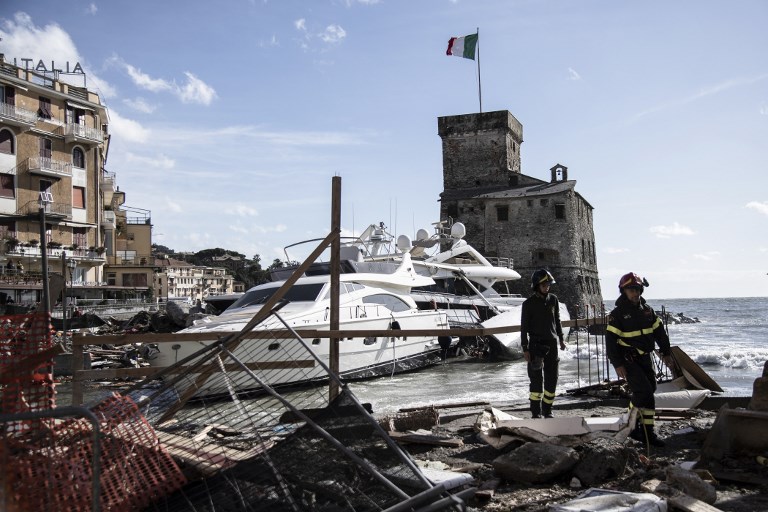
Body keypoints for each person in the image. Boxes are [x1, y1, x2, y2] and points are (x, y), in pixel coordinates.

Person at [606, 272, 675, 447]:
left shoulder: (647, 311)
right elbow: (610, 343)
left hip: (645, 358)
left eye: (637, 289)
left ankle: (647, 432)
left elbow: (660, 333)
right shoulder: (617, 314)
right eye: (631, 290)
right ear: (624, 291)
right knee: (643, 391)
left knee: (650, 390)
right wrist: (618, 364)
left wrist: (666, 353)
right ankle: (632, 424)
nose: (635, 293)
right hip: (628, 360)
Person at [521, 269, 566, 418]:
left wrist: (561, 338)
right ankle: (535, 413)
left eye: (548, 285)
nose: (547, 287)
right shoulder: (528, 304)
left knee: (552, 379)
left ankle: (548, 410)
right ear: (536, 286)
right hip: (535, 346)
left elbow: (557, 321)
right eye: (544, 285)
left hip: (552, 344)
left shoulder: (553, 300)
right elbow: (524, 328)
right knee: (536, 381)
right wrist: (525, 348)